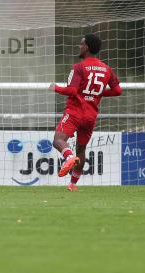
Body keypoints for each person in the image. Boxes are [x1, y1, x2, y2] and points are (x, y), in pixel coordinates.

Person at [48, 34, 122, 191]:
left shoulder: (79, 67)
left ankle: (68, 157)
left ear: (87, 47)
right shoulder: (106, 69)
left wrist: (54, 87)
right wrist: (98, 93)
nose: (79, 46)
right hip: (91, 115)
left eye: (81, 44)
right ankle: (73, 184)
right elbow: (117, 90)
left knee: (58, 140)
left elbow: (71, 90)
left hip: (75, 111)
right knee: (81, 149)